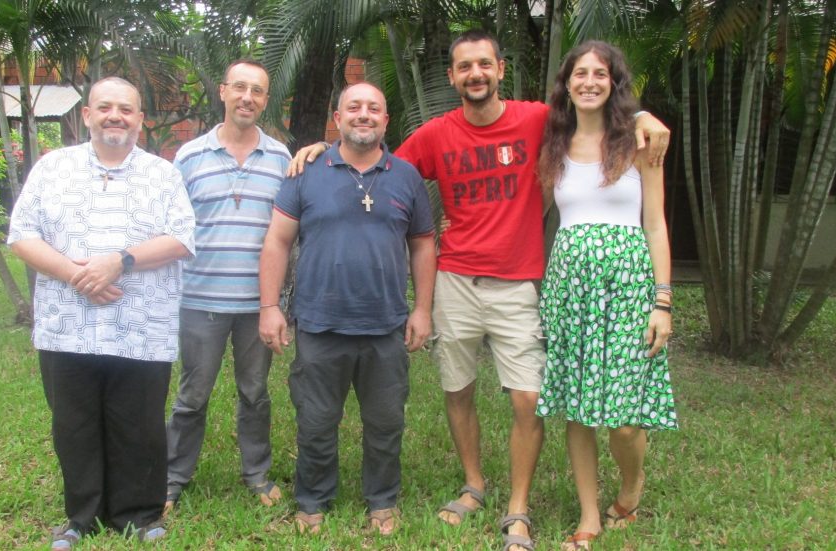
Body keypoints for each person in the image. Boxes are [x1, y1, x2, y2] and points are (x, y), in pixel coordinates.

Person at [289, 29, 670, 551]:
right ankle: (474, 484)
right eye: (464, 67)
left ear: (500, 70)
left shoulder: (537, 119)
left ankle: (518, 508)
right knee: (457, 389)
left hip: (519, 283)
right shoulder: (436, 134)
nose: (475, 75)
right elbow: (376, 162)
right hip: (455, 281)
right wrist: (320, 148)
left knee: (528, 398)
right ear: (452, 77)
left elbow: (595, 105)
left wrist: (644, 115)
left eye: (484, 65)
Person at [7, 77, 197, 550]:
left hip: (141, 325)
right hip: (67, 326)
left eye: (127, 109)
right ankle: (82, 516)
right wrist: (77, 275)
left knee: (139, 423)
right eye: (105, 107)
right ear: (87, 116)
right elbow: (22, 234)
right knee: (74, 423)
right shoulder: (53, 168)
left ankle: (139, 513)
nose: (116, 116)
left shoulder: (163, 174)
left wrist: (120, 260)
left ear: (140, 120)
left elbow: (181, 239)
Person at [258, 82, 436, 536]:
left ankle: (382, 500)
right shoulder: (306, 172)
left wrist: (423, 310)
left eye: (373, 108)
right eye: (353, 107)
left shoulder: (406, 176)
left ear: (385, 121)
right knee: (316, 421)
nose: (363, 114)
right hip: (319, 323)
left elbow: (422, 246)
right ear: (337, 118)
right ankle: (313, 499)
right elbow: (278, 241)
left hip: (385, 325)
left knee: (386, 421)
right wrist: (269, 306)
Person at [535, 41, 677, 550]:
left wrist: (663, 301)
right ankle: (590, 515)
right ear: (567, 83)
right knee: (577, 409)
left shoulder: (639, 143)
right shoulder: (553, 141)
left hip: (630, 287)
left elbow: (656, 225)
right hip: (570, 287)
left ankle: (632, 482)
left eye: (601, 74)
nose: (589, 81)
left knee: (624, 420)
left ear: (614, 83)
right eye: (580, 73)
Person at [163, 59, 290, 514]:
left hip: (260, 305)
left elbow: (291, 229)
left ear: (264, 99)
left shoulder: (281, 158)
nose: (247, 98)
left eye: (257, 91)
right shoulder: (189, 157)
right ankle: (173, 478)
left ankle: (256, 473)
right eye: (240, 88)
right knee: (192, 396)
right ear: (222, 92)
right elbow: (171, 226)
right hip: (200, 302)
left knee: (254, 393)